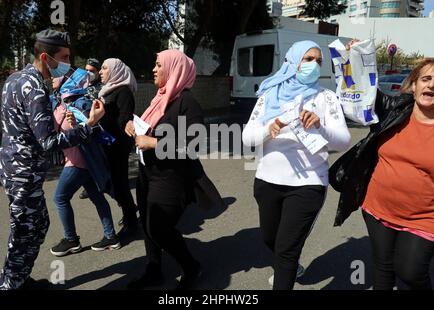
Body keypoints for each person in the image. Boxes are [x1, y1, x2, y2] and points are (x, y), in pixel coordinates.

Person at [0, 29, 105, 290]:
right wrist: (88, 125)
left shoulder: (15, 79)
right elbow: (48, 143)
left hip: (14, 167)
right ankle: (10, 284)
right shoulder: (35, 89)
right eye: (64, 57)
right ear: (46, 57)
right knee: (25, 231)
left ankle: (18, 278)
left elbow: (28, 128)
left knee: (37, 225)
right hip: (24, 172)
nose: (68, 63)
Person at [242, 40, 351, 290]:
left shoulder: (326, 97)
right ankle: (291, 265)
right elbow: (247, 138)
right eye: (308, 59)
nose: (314, 65)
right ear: (292, 61)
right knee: (271, 239)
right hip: (268, 181)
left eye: (318, 61)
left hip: (308, 184)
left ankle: (287, 269)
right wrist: (271, 128)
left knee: (286, 250)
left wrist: (320, 126)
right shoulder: (269, 95)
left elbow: (344, 141)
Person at [329, 56, 434, 290]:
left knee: (411, 272)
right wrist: (351, 57)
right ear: (414, 85)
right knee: (382, 269)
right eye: (426, 79)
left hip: (424, 219)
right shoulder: (392, 109)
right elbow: (358, 87)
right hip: (378, 209)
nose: (431, 85)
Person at [124, 49, 224, 290]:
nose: (154, 69)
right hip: (149, 173)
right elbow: (149, 128)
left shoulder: (187, 102)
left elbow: (194, 144)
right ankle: (153, 268)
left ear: (174, 69)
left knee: (159, 227)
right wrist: (133, 126)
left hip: (172, 178)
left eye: (159, 65)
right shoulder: (160, 98)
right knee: (148, 225)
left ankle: (191, 267)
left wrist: (154, 143)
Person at [49, 70, 121, 257]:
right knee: (97, 198)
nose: (51, 78)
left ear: (66, 79)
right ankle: (111, 237)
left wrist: (77, 125)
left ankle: (71, 240)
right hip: (76, 158)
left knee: (60, 198)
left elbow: (92, 127)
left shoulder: (80, 101)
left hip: (78, 159)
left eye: (55, 75)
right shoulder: (60, 99)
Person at [98, 58, 139, 237]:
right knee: (111, 182)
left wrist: (102, 116)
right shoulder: (107, 90)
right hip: (107, 142)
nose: (100, 71)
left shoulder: (123, 92)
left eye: (105, 68)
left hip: (118, 144)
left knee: (120, 183)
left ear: (116, 71)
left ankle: (131, 220)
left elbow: (124, 119)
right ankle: (129, 211)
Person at [79, 58, 103, 200]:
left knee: (97, 157)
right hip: (83, 126)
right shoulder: (81, 85)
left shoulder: (103, 87)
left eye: (92, 71)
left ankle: (100, 184)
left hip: (98, 127)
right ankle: (89, 186)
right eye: (86, 70)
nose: (88, 73)